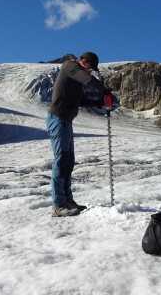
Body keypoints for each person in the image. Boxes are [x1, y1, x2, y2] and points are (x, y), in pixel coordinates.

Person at [46, 51, 114, 217]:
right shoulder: (70, 66)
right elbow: (88, 79)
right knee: (61, 159)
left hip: (66, 121)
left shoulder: (76, 80)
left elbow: (81, 100)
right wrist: (104, 90)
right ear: (83, 61)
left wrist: (98, 102)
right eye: (89, 66)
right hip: (57, 118)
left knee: (68, 160)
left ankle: (68, 201)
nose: (90, 71)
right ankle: (58, 205)